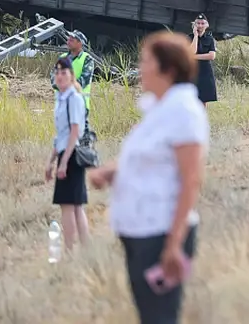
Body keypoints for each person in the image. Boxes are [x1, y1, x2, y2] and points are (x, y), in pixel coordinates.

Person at [89, 31, 209, 324]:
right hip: (140, 232)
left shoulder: (184, 112)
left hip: (161, 234)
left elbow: (191, 179)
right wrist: (112, 171)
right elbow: (154, 159)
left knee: (160, 318)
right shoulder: (160, 109)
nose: (140, 68)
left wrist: (173, 245)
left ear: (167, 69)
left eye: (146, 62)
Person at [46, 57, 91, 253]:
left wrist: (63, 163)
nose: (60, 76)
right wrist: (50, 161)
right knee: (75, 206)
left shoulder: (73, 98)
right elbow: (61, 135)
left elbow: (74, 132)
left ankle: (69, 251)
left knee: (69, 207)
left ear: (71, 76)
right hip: (66, 153)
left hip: (72, 155)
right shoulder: (61, 98)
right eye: (57, 72)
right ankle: (86, 252)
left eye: (64, 73)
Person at [51, 30, 95, 127]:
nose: (68, 41)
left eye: (72, 39)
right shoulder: (62, 58)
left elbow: (84, 80)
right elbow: (53, 77)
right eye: (69, 39)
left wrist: (63, 85)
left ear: (80, 43)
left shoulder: (87, 59)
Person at [189, 14, 217, 106]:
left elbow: (212, 56)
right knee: (191, 98)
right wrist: (195, 36)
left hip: (205, 71)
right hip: (192, 71)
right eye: (198, 23)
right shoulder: (189, 37)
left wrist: (195, 57)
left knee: (203, 98)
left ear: (206, 25)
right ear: (194, 25)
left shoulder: (210, 39)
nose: (200, 26)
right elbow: (192, 52)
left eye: (202, 23)